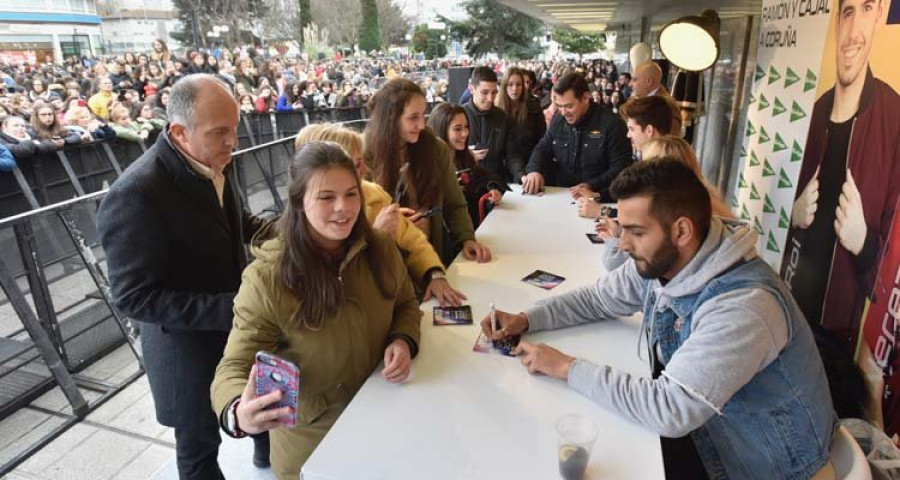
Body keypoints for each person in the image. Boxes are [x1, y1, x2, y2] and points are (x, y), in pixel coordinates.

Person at [485, 159, 836, 479]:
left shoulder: (745, 307)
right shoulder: (669, 256)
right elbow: (599, 298)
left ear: (681, 231)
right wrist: (525, 319)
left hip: (758, 469)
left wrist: (565, 366)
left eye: (636, 232)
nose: (622, 245)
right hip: (710, 439)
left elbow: (669, 409)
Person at [211, 142, 421, 480]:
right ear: (298, 201)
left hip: (384, 419)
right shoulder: (267, 278)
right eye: (326, 197)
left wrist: (403, 338)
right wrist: (239, 413)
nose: (344, 208)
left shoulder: (380, 247)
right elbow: (233, 365)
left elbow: (406, 303)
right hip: (313, 452)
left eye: (352, 194)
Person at [97, 74, 270, 479]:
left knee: (262, 414)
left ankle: (267, 460)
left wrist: (296, 228)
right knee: (198, 449)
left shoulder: (215, 157)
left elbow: (235, 222)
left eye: (236, 128)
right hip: (187, 349)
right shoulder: (135, 194)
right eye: (220, 132)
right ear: (179, 131)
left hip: (237, 332)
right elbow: (134, 297)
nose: (234, 142)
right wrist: (237, 307)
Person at [295, 123, 467, 306]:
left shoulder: (374, 195)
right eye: (357, 164)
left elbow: (412, 241)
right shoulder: (301, 241)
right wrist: (377, 237)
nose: (367, 170)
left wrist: (434, 273)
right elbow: (339, 296)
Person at [365, 78, 491, 265]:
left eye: (422, 115)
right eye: (413, 117)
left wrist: (466, 238)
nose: (422, 125)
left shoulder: (435, 148)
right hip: (390, 265)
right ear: (390, 117)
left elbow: (454, 203)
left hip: (434, 257)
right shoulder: (364, 156)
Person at [595, 136, 735, 271]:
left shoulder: (685, 209)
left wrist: (610, 240)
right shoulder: (708, 196)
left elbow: (617, 263)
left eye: (646, 164)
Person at [523, 73, 632, 200]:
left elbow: (621, 167)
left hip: (598, 198)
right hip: (562, 195)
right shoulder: (558, 120)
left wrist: (591, 186)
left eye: (569, 106)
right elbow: (542, 148)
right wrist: (534, 170)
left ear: (586, 98)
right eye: (559, 106)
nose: (564, 113)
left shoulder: (612, 124)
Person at [429, 103, 506, 228]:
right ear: (441, 129)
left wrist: (492, 190)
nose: (465, 133)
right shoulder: (430, 166)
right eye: (457, 129)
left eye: (466, 127)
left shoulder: (465, 158)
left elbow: (486, 180)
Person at [462, 67, 524, 182]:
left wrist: (521, 175)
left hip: (496, 184)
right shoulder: (459, 116)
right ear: (472, 89)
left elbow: (512, 156)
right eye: (485, 93)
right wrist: (466, 157)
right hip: (466, 185)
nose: (490, 99)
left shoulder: (505, 119)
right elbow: (446, 155)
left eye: (494, 92)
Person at [496, 67, 546, 163]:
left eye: (518, 84)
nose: (514, 89)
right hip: (502, 164)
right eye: (510, 84)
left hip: (529, 161)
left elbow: (541, 141)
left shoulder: (533, 107)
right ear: (504, 86)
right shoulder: (496, 108)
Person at [618, 95, 682, 161]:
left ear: (649, 130)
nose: (628, 135)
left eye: (632, 129)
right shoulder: (677, 157)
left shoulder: (658, 168)